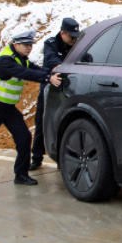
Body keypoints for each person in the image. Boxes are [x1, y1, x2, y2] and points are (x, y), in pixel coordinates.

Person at [0, 30, 62, 189]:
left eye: (31, 45)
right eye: (26, 45)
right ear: (16, 44)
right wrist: (48, 78)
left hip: (8, 109)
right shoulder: (5, 60)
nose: (30, 48)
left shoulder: (21, 58)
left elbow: (34, 68)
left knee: (24, 137)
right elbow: (24, 73)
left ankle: (21, 174)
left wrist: (51, 72)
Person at [30, 17, 80, 170]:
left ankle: (64, 159)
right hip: (51, 90)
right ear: (62, 33)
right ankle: (36, 158)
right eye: (71, 36)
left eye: (76, 36)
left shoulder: (77, 44)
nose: (74, 39)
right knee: (43, 123)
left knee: (66, 124)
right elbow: (53, 62)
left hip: (70, 89)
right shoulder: (50, 44)